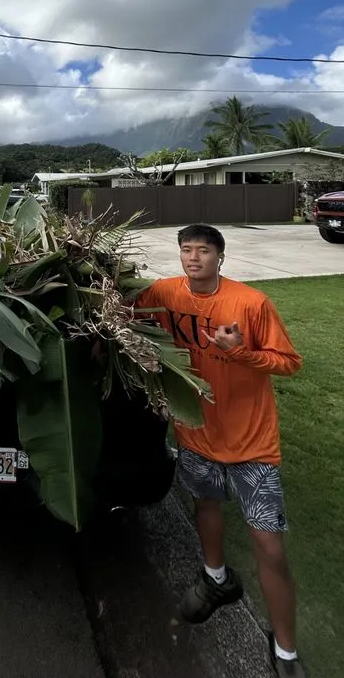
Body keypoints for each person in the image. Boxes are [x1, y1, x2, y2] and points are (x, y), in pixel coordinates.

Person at [137, 223, 305, 678]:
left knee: (270, 547)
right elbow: (123, 311)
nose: (194, 259)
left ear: (220, 257)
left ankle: (285, 651)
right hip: (196, 434)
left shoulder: (251, 303)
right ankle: (216, 579)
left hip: (252, 444)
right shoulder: (164, 293)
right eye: (186, 251)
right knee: (206, 505)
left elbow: (289, 363)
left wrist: (240, 352)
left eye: (204, 252)